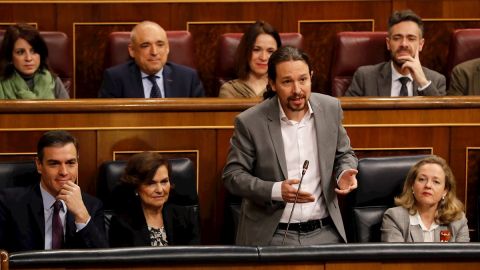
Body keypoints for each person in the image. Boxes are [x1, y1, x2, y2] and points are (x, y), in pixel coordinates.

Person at [223, 46, 358, 246]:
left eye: (303, 79)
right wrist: (276, 191)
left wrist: (344, 172)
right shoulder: (250, 122)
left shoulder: (330, 108)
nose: (297, 90)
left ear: (311, 76)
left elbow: (344, 153)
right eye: (287, 81)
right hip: (273, 234)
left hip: (325, 231)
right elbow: (233, 176)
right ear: (272, 83)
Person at [0, 130, 107, 252]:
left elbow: (104, 261)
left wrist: (81, 215)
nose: (64, 172)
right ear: (39, 165)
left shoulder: (92, 206)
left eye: (70, 163)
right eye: (54, 164)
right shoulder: (9, 203)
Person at [345, 10, 446, 97]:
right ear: (388, 43)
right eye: (397, 38)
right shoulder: (365, 77)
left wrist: (423, 83)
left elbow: (443, 117)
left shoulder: (436, 80)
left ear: (421, 44)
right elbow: (345, 115)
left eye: (411, 38)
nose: (403, 44)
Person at [109, 152, 200, 247]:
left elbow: (195, 258)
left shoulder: (186, 217)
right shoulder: (122, 223)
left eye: (164, 181)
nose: (160, 190)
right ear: (136, 186)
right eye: (151, 183)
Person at [99, 21, 205, 98]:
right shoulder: (115, 79)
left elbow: (201, 120)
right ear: (132, 50)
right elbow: (107, 120)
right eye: (145, 45)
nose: (154, 52)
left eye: (160, 45)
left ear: (167, 48)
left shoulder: (188, 78)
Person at [381, 155, 469, 242]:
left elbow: (462, 255)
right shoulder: (395, 217)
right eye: (422, 179)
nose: (428, 185)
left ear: (445, 190)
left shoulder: (458, 220)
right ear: (412, 185)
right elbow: (396, 255)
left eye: (436, 181)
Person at [0, 24, 69, 99]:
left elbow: (67, 109)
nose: (29, 58)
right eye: (20, 52)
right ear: (10, 57)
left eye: (34, 51)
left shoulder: (54, 81)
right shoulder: (2, 84)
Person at [218, 20, 281, 98]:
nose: (263, 57)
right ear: (246, 51)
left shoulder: (282, 89)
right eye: (256, 50)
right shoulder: (230, 90)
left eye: (270, 51)